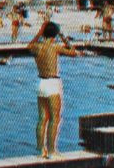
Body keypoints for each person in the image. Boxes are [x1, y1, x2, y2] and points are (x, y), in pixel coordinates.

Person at [29, 21, 81, 160]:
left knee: (42, 118)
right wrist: (64, 37)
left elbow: (28, 46)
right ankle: (52, 151)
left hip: (41, 82)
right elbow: (74, 52)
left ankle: (40, 150)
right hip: (52, 82)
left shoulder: (36, 47)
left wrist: (39, 33)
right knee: (54, 118)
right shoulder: (55, 47)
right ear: (55, 34)